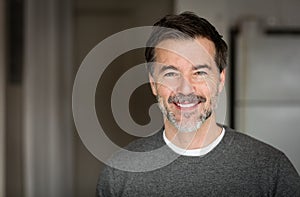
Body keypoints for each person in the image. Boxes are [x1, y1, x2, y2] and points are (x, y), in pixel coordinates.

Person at [96, 12, 300, 196]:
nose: (185, 89)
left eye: (199, 73)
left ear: (220, 81)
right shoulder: (119, 173)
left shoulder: (272, 169)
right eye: (171, 73)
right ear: (153, 84)